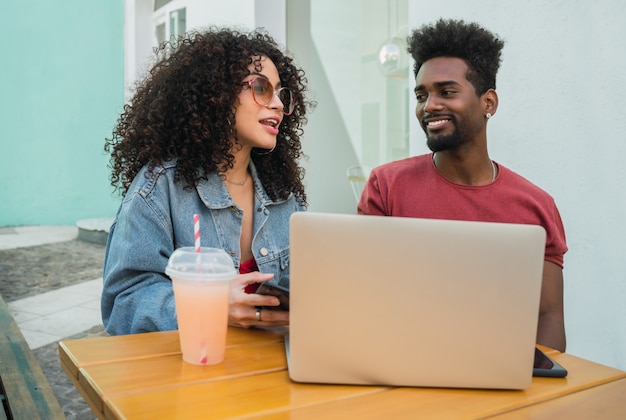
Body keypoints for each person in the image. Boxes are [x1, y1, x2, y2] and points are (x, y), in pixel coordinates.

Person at [358, 19, 568, 352]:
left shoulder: (535, 206)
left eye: (447, 91)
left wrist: (534, 391)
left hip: (499, 376)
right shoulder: (386, 186)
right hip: (404, 366)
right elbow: (365, 297)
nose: (429, 106)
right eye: (421, 95)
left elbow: (547, 316)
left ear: (489, 103)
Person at [101, 27, 313, 335]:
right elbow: (124, 303)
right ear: (218, 93)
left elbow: (305, 288)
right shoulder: (159, 189)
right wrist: (209, 306)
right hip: (191, 371)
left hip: (271, 371)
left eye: (282, 93)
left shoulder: (283, 193)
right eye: (262, 88)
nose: (278, 104)